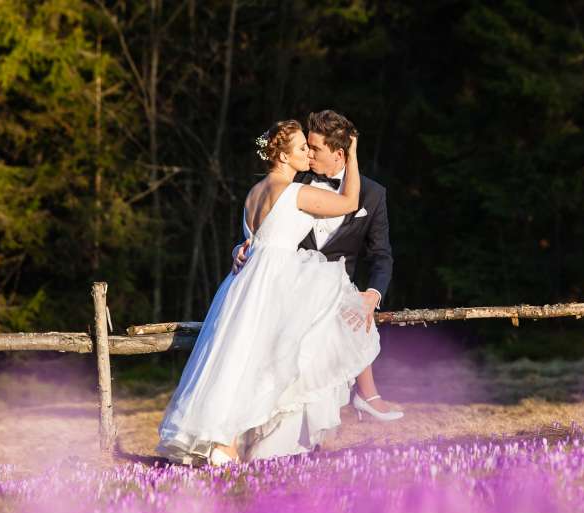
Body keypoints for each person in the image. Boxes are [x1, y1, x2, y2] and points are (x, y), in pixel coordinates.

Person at [157, 120, 380, 466]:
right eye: (301, 147)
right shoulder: (295, 193)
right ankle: (233, 443)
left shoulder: (253, 193)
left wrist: (237, 250)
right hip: (275, 281)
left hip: (243, 284)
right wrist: (351, 153)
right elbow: (350, 201)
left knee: (235, 360)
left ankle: (224, 440)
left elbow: (255, 240)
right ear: (284, 155)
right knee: (263, 360)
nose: (308, 151)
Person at [233, 110, 402, 420]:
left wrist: (373, 294)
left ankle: (364, 396)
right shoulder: (293, 181)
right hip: (292, 290)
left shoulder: (374, 194)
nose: (307, 153)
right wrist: (241, 247)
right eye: (305, 146)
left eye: (315, 148)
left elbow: (381, 255)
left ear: (339, 154)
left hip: (337, 287)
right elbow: (266, 230)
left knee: (348, 306)